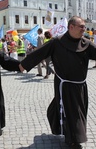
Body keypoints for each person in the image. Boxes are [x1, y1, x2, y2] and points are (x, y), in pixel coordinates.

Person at [19, 16, 96, 148]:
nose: (85, 29)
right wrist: (24, 65)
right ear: (71, 27)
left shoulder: (86, 43)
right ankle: (74, 140)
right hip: (64, 85)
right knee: (71, 111)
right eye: (81, 26)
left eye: (84, 26)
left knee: (76, 110)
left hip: (80, 86)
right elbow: (40, 53)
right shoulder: (57, 42)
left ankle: (66, 130)